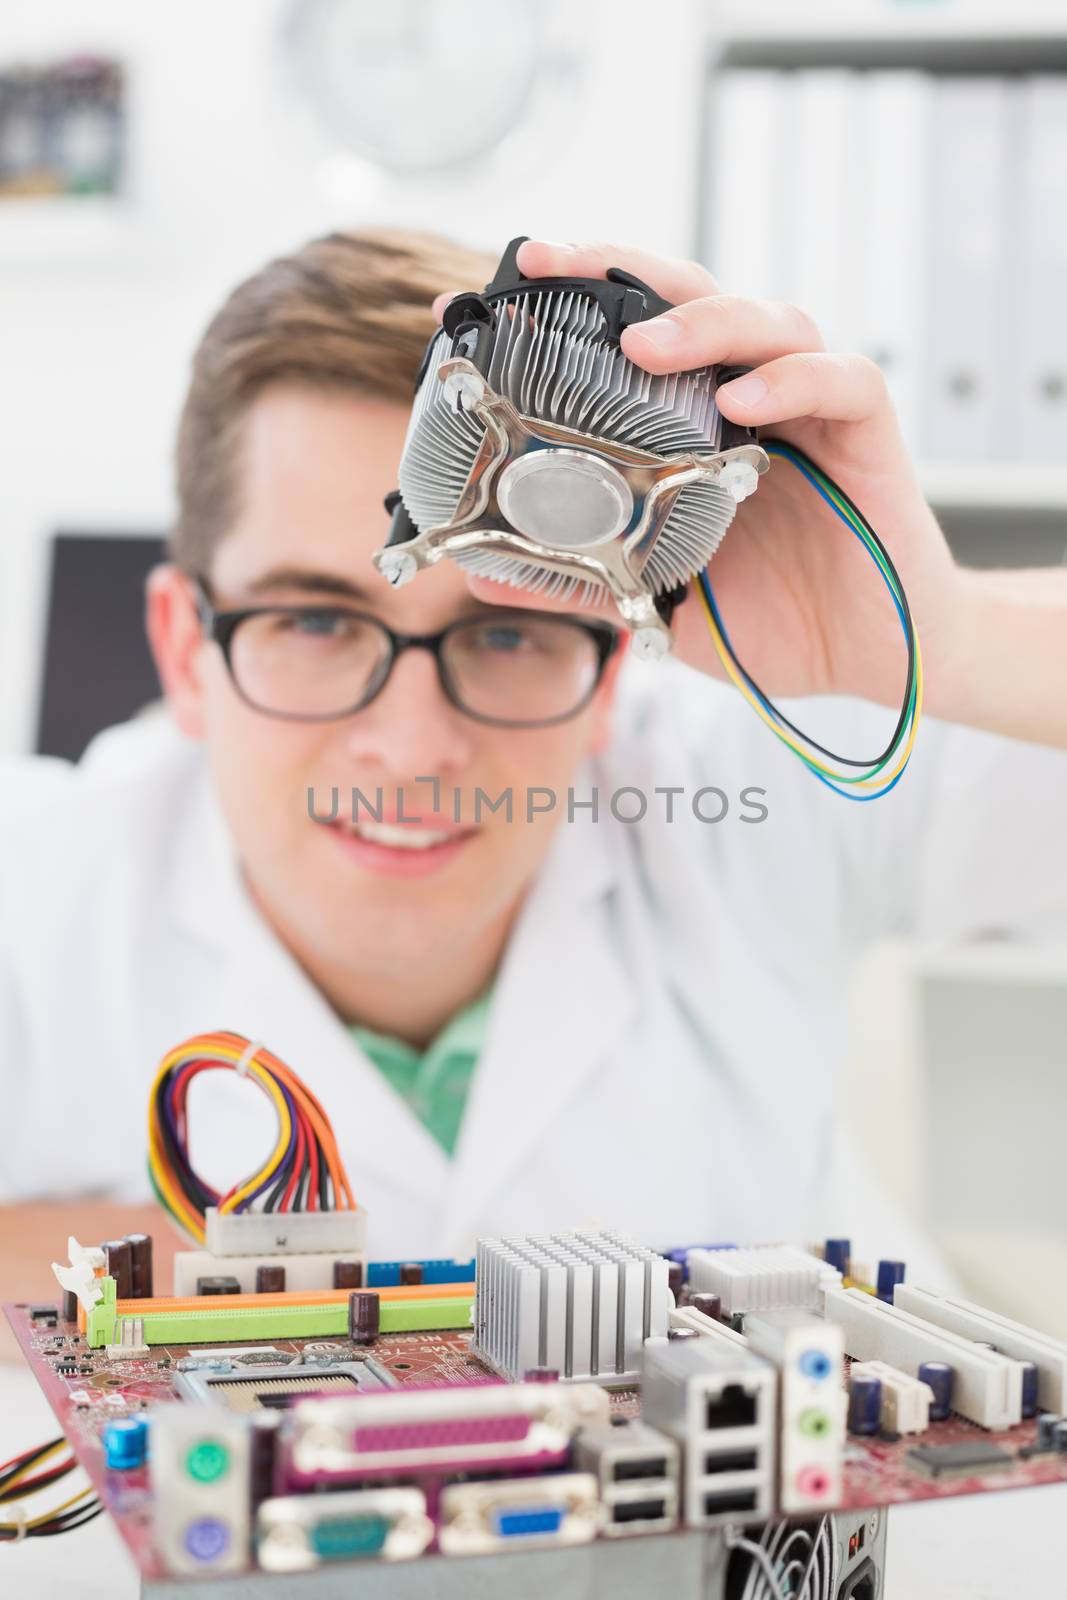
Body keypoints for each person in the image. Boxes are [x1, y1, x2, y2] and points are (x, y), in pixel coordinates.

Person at [2, 229, 1066, 1294]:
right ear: (187, 652)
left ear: (611, 668)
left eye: (506, 632)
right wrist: (119, 1260)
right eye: (317, 624)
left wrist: (949, 642)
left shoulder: (774, 766)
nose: (415, 752)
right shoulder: (36, 892)